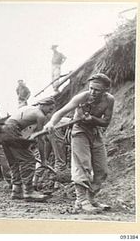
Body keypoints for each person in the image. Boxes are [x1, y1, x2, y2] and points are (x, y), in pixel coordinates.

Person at [44, 73, 114, 213]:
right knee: (83, 165)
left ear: (106, 90)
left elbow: (106, 122)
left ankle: (91, 199)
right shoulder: (82, 97)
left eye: (97, 90)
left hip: (95, 132)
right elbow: (61, 112)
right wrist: (51, 123)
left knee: (102, 170)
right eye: (91, 88)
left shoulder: (109, 100)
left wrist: (92, 119)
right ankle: (81, 201)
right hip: (79, 132)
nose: (93, 92)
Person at [1, 96, 56, 202]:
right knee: (29, 160)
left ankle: (16, 190)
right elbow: (40, 139)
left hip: (3, 130)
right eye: (50, 109)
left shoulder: (28, 108)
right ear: (43, 105)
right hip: (12, 130)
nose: (50, 112)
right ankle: (29, 191)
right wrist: (43, 160)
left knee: (14, 161)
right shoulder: (40, 115)